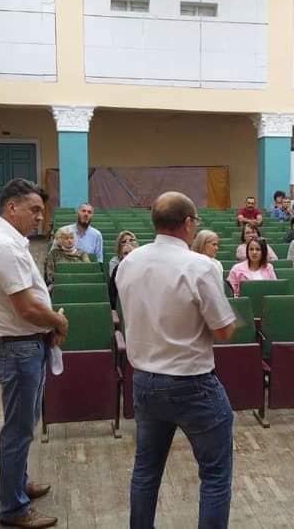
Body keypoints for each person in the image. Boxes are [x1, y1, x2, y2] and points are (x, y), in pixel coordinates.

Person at [116, 191, 237, 529]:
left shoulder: (129, 262)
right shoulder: (200, 266)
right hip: (192, 383)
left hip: (145, 381)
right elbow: (223, 330)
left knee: (146, 470)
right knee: (215, 475)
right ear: (187, 223)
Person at [0, 179, 68, 528]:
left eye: (42, 211)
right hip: (16, 349)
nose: (40, 217)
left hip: (22, 345)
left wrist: (48, 324)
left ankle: (19, 482)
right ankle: (14, 508)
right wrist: (58, 321)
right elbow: (27, 308)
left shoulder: (9, 241)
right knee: (17, 430)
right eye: (34, 210)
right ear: (12, 207)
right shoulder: (3, 247)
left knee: (24, 425)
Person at [109, 241, 136, 310]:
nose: (128, 255)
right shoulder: (117, 269)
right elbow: (112, 292)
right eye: (125, 253)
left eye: (131, 252)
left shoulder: (144, 268)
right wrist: (113, 310)